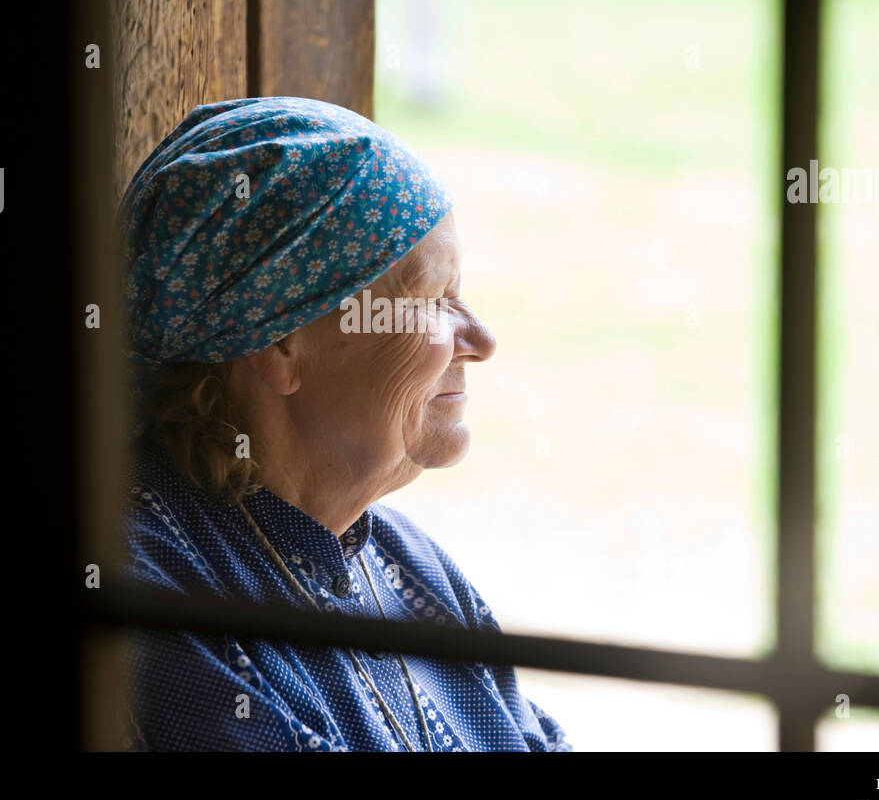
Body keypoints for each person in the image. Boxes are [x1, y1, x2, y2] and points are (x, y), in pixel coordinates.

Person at [114, 95, 571, 751]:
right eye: (433, 301)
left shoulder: (408, 564)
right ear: (283, 341)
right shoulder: (154, 594)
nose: (481, 338)